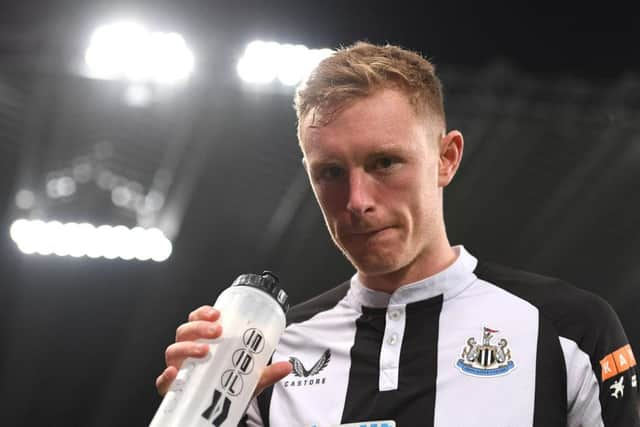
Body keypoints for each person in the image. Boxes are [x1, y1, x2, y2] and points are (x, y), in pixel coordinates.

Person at [155, 41, 640, 426]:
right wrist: (204, 412)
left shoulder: (571, 332)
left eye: (385, 162)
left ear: (446, 158)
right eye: (330, 173)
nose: (357, 200)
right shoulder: (267, 355)